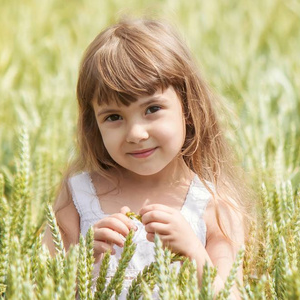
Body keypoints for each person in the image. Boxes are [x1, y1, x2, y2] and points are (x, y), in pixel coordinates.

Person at [44, 17, 251, 299]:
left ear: (188, 107)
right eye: (114, 117)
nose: (136, 133)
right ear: (95, 124)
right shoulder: (78, 196)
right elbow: (37, 287)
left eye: (152, 109)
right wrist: (77, 263)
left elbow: (231, 294)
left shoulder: (214, 205)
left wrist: (193, 252)